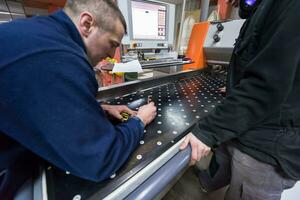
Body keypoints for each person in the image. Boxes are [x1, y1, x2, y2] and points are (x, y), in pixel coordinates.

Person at [0, 0, 156, 199]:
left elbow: (39, 100)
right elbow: (100, 160)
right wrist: (139, 121)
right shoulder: (60, 57)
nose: (110, 54)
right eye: (112, 44)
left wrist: (101, 108)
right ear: (87, 24)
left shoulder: (41, 34)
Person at [180, 0, 300, 199]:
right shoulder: (262, 8)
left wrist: (207, 132)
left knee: (242, 190)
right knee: (221, 163)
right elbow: (260, 63)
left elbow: (266, 85)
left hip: (265, 145)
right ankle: (207, 182)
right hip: (244, 126)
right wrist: (236, 87)